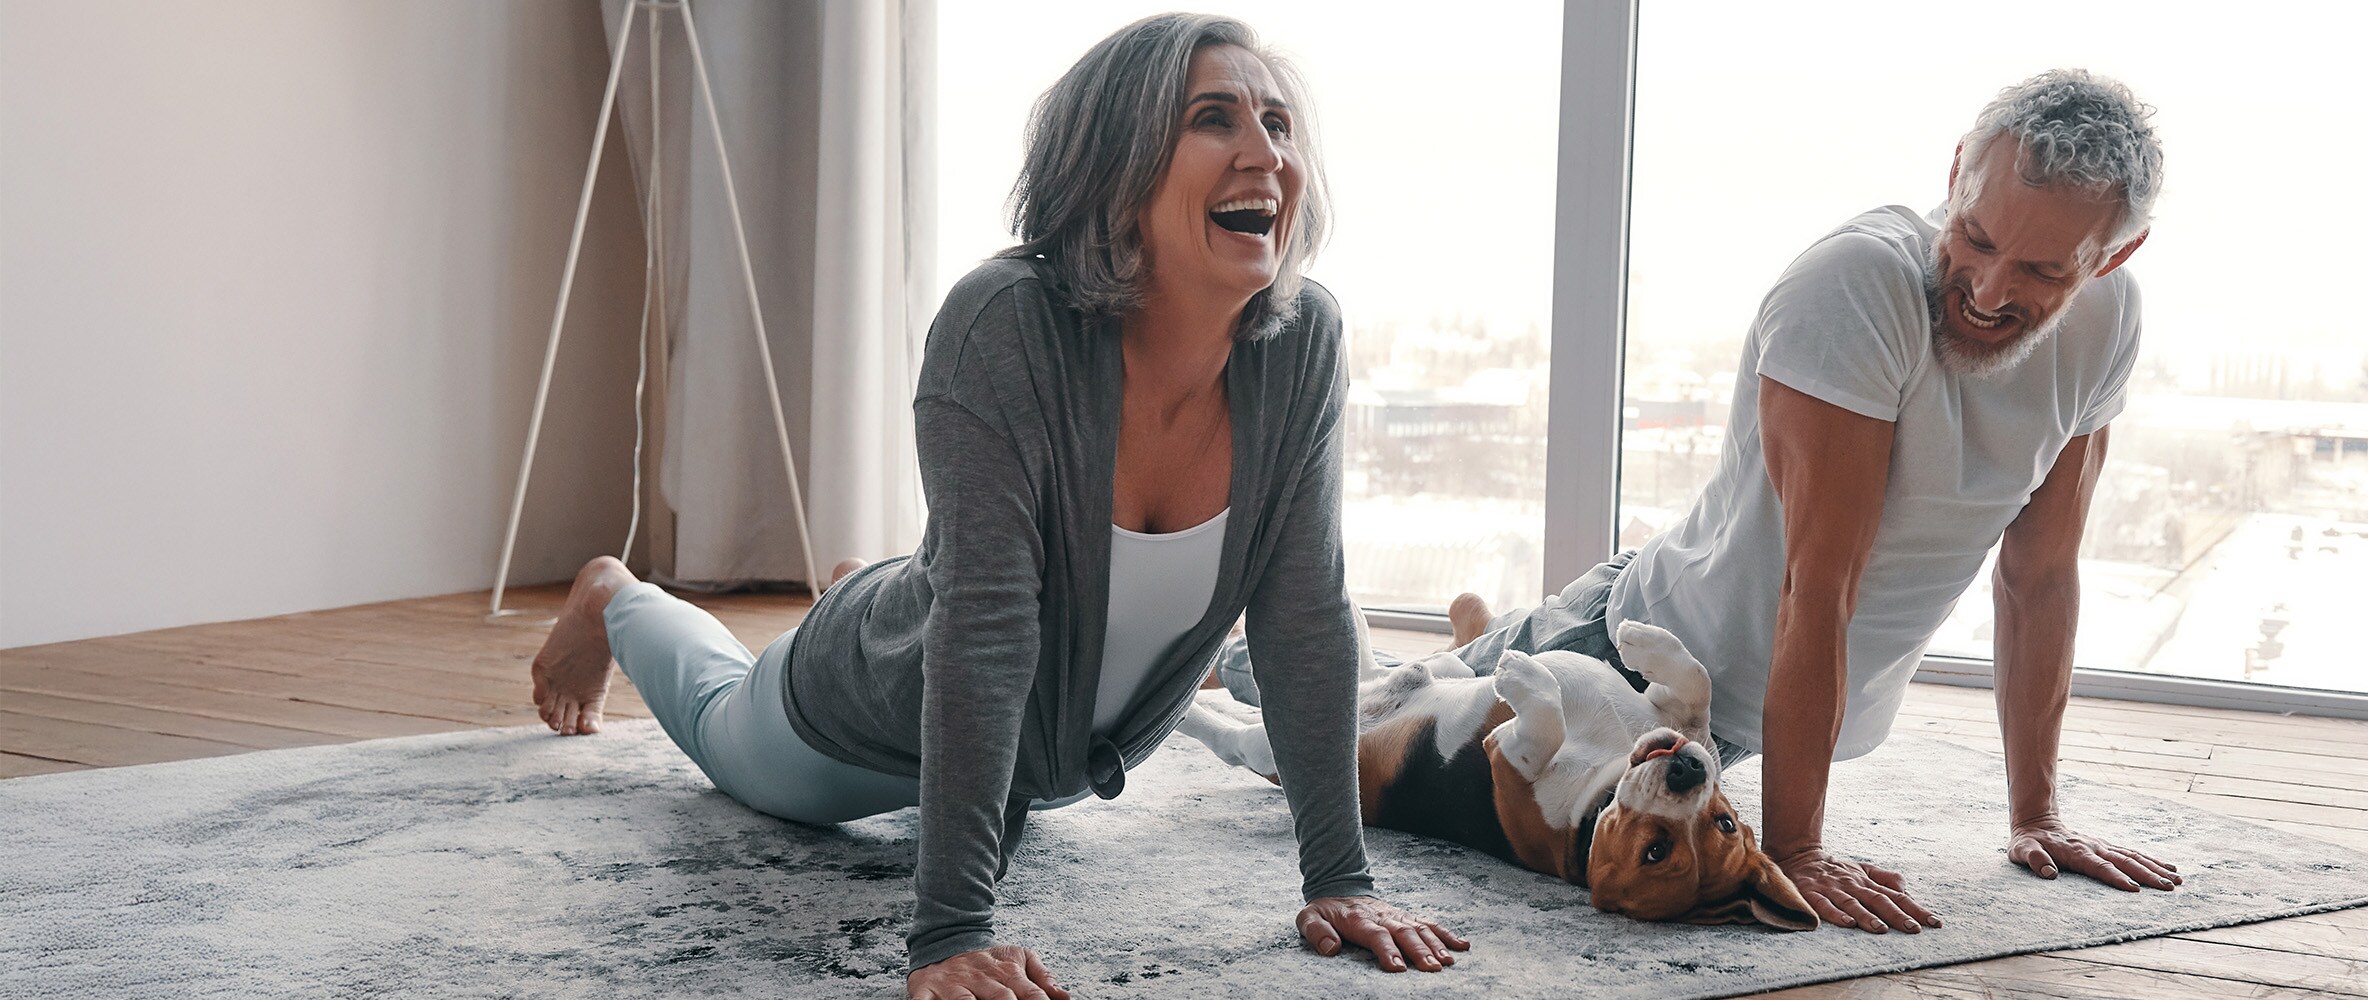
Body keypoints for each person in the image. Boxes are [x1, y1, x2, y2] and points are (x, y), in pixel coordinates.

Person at [527, 13, 1466, 999]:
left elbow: (1306, 615)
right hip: (863, 720)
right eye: (1215, 119)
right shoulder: (1004, 321)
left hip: (1043, 750)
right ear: (1118, 162)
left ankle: (882, 587)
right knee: (727, 728)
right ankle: (616, 598)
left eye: (1278, 123)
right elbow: (984, 628)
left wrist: (1339, 879)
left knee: (958, 604)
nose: (1266, 154)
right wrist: (949, 933)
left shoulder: (1302, 342)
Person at [1218, 68, 2184, 936]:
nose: (1985, 286)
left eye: (2043, 271)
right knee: (1338, 736)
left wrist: (2037, 816)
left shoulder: (2108, 325)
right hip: (1632, 658)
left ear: (2111, 256)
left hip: (1762, 710)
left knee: (1404, 685)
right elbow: (1819, 584)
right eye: (1974, 235)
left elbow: (2041, 574)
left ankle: (1347, 654)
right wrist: (1799, 852)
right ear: (1960, 167)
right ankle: (1206, 658)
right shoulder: (1856, 289)